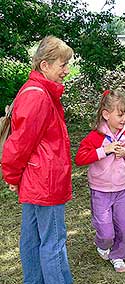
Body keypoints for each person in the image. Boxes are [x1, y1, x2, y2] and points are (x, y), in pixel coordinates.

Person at [1, 36, 74, 283]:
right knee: (53, 243)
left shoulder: (38, 91)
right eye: (63, 64)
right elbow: (20, 143)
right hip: (46, 182)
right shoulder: (39, 96)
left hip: (36, 179)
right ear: (45, 65)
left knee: (32, 239)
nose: (67, 70)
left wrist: (15, 176)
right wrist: (11, 175)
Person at [75, 90, 125, 273]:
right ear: (106, 114)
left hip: (122, 189)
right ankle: (102, 243)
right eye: (120, 115)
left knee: (124, 226)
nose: (124, 119)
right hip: (100, 190)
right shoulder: (95, 136)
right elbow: (80, 159)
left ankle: (118, 255)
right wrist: (104, 150)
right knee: (106, 231)